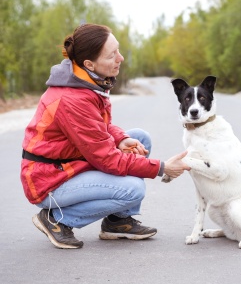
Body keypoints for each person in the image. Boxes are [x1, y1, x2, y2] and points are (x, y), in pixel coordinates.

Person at [20, 23, 190, 249]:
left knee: (140, 138)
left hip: (70, 164)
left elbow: (97, 127)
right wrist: (161, 168)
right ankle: (57, 219)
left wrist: (120, 138)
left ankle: (117, 222)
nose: (120, 58)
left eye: (118, 50)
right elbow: (107, 159)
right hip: (49, 180)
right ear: (90, 64)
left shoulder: (86, 82)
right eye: (112, 55)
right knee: (133, 189)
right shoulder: (72, 98)